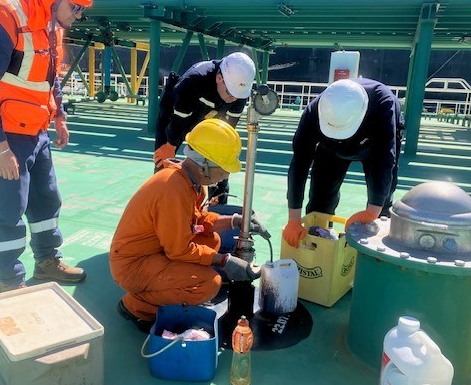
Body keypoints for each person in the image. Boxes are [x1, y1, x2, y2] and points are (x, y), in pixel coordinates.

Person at [0, 0, 95, 293]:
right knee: (6, 210)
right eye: (76, 6)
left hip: (35, 131)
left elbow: (51, 80)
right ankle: (9, 282)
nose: (78, 15)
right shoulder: (3, 17)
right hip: (0, 133)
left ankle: (48, 261)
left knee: (46, 200)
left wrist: (59, 117)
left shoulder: (52, 26)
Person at [111, 119, 266, 332]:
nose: (227, 175)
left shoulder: (189, 181)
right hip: (133, 266)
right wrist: (225, 261)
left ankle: (163, 289)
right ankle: (137, 306)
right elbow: (179, 249)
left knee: (212, 240)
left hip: (152, 252)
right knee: (208, 284)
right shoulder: (173, 190)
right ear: (205, 165)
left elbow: (198, 221)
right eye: (224, 168)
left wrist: (235, 221)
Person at [283, 78, 405, 248]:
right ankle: (318, 243)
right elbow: (299, 163)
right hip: (330, 148)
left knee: (382, 205)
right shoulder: (314, 111)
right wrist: (293, 220)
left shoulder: (383, 103)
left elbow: (385, 160)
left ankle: (375, 254)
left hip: (373, 146)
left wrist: (372, 211)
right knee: (320, 199)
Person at [154, 52, 256, 204]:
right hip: (176, 114)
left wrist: (218, 169)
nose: (233, 99)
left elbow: (226, 131)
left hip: (209, 117)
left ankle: (216, 205)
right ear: (219, 78)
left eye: (238, 95)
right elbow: (179, 119)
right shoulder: (195, 80)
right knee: (165, 162)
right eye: (230, 93)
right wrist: (170, 145)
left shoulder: (238, 94)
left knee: (218, 168)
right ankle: (162, 201)